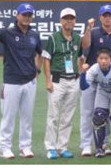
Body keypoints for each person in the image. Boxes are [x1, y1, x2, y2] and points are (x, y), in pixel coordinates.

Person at [0, 3, 42, 159]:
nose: (27, 17)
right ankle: (5, 148)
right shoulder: (7, 32)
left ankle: (25, 147)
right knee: (8, 117)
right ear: (17, 15)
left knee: (27, 117)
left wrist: (37, 69)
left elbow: (40, 53)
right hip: (11, 82)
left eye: (29, 15)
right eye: (24, 14)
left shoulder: (34, 35)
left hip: (30, 82)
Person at [79, 4, 111, 156]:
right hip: (93, 78)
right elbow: (84, 45)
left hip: (109, 80)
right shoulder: (93, 32)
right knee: (87, 111)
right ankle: (86, 144)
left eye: (110, 15)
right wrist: (88, 28)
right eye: (104, 15)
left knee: (104, 112)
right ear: (100, 17)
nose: (107, 17)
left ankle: (104, 142)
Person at [41, 8, 82, 159]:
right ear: (61, 20)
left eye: (71, 18)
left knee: (68, 116)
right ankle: (50, 147)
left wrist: (80, 70)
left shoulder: (77, 38)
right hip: (57, 80)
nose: (69, 21)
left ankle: (62, 147)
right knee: (53, 116)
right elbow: (46, 59)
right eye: (66, 18)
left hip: (73, 80)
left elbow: (80, 56)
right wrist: (47, 80)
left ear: (75, 21)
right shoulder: (53, 38)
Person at [79, 48, 111, 158]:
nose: (104, 61)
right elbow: (84, 87)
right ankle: (99, 148)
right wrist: (82, 73)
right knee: (98, 117)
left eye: (106, 58)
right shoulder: (93, 69)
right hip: (103, 92)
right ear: (97, 59)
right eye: (101, 58)